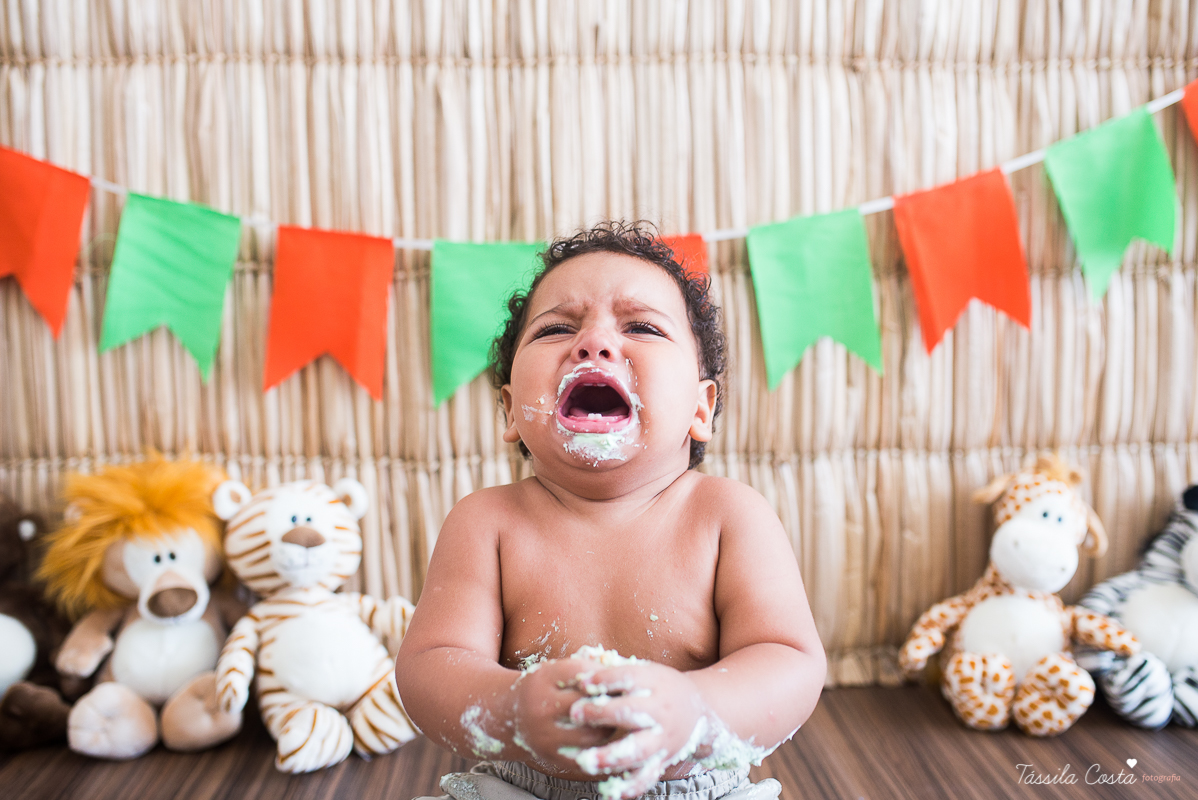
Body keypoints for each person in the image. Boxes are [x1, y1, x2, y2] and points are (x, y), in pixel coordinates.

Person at [395, 222, 825, 800]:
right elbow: (429, 666)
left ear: (702, 407)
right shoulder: (487, 523)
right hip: (521, 785)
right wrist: (510, 712)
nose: (593, 343)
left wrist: (696, 714)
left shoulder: (726, 517)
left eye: (641, 327)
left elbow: (789, 661)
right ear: (510, 412)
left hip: (696, 784)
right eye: (557, 328)